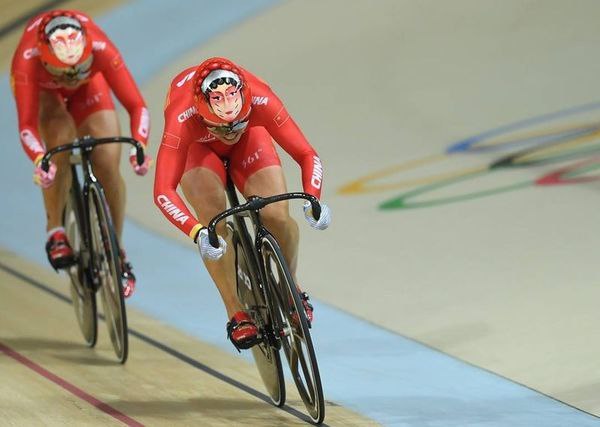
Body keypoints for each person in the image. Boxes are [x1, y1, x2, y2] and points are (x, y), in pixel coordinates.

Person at [154, 57, 331, 350]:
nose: (230, 131)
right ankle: (235, 311)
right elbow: (162, 190)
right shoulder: (181, 117)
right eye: (221, 127)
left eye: (238, 122)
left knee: (276, 214)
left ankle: (290, 287)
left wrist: (314, 198)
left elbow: (306, 154)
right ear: (202, 112)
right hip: (197, 150)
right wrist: (197, 232)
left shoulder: (261, 97)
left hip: (252, 141)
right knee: (215, 226)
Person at [10, 9, 152, 297]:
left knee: (107, 162)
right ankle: (55, 231)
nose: (72, 77)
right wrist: (41, 159)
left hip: (91, 90)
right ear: (47, 58)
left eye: (79, 67)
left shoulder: (100, 47)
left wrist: (139, 145)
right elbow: (26, 126)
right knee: (57, 143)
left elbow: (137, 106)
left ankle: (115, 249)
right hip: (46, 94)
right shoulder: (27, 60)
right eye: (64, 71)